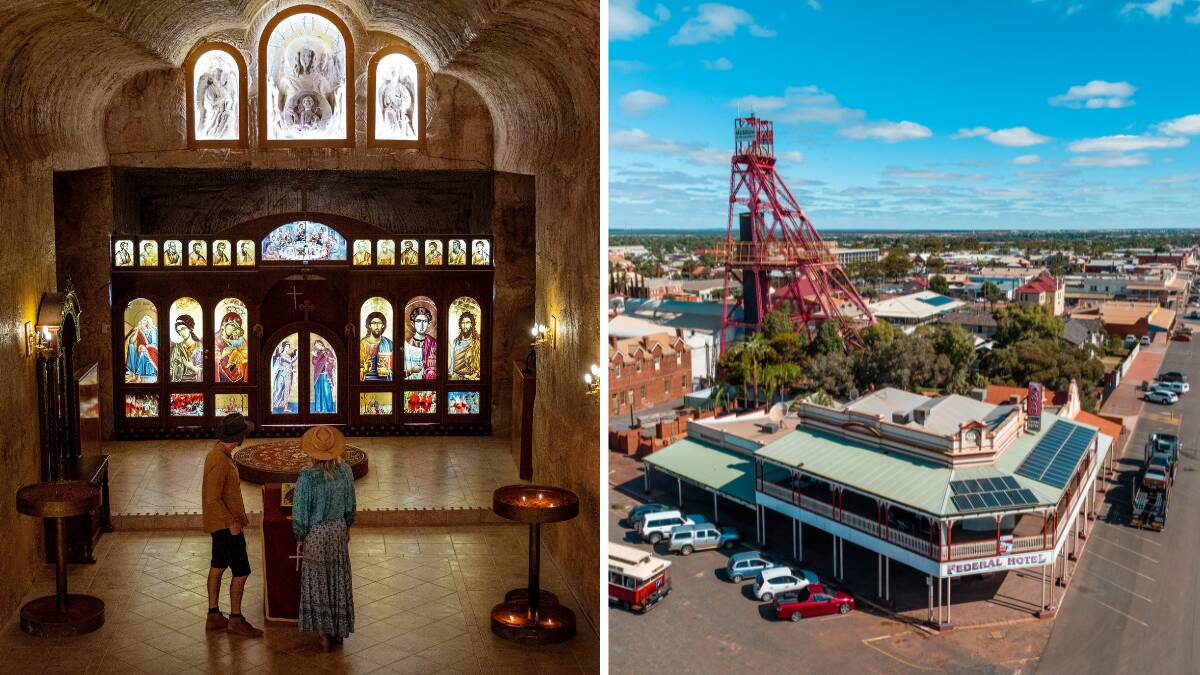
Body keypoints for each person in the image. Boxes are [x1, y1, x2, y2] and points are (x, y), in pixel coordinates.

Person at [292, 425, 356, 651]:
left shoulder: (307, 478)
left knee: (318, 581)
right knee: (337, 577)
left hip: (316, 534)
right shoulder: (346, 472)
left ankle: (323, 634)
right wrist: (347, 526)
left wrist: (300, 536)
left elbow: (300, 513)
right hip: (338, 530)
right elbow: (351, 506)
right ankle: (339, 629)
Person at [204, 413, 263, 637]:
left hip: (219, 523)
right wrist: (232, 521)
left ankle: (213, 615)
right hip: (227, 525)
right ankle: (236, 619)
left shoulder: (216, 453)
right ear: (238, 439)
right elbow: (213, 498)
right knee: (241, 571)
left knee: (218, 567)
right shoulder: (221, 462)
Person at [404, 306, 437, 379]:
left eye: (424, 321)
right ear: (413, 323)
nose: (421, 325)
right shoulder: (406, 345)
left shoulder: (434, 343)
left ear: (429, 324)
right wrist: (411, 370)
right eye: (418, 321)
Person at [359, 312, 393, 381]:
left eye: (379, 323)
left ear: (383, 325)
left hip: (385, 381)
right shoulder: (362, 344)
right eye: (374, 323)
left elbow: (393, 365)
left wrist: (389, 368)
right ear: (369, 326)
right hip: (366, 382)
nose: (377, 326)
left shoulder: (389, 343)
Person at [170, 315, 203, 382]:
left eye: (183, 329)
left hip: (197, 384)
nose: (181, 333)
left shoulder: (200, 347)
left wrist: (192, 367)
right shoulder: (177, 348)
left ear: (190, 328)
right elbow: (171, 368)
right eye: (178, 331)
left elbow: (207, 371)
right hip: (179, 383)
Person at [449, 309, 480, 380]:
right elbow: (452, 364)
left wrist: (474, 376)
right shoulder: (456, 342)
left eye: (467, 322)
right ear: (460, 325)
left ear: (472, 324)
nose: (465, 326)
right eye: (463, 323)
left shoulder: (478, 341)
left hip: (473, 379)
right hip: (457, 378)